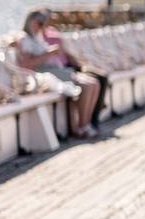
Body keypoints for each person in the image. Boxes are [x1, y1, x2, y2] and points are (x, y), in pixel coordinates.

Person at [16, 9, 101, 139]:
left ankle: (86, 123)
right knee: (88, 85)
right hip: (44, 74)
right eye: (41, 23)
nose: (43, 26)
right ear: (32, 22)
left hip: (56, 71)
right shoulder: (25, 39)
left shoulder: (36, 38)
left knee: (94, 82)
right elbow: (26, 65)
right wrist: (48, 54)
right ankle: (83, 125)